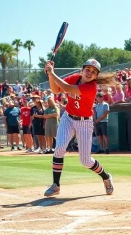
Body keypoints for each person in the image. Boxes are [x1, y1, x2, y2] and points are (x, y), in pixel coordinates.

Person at [43, 58, 114, 197]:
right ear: (82, 70)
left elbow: (67, 88)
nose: (90, 73)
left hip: (84, 122)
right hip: (68, 118)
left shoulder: (91, 87)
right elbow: (55, 89)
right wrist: (50, 75)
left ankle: (106, 177)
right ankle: (56, 185)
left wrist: (52, 72)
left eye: (94, 72)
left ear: (96, 76)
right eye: (87, 69)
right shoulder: (75, 78)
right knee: (59, 148)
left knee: (86, 160)